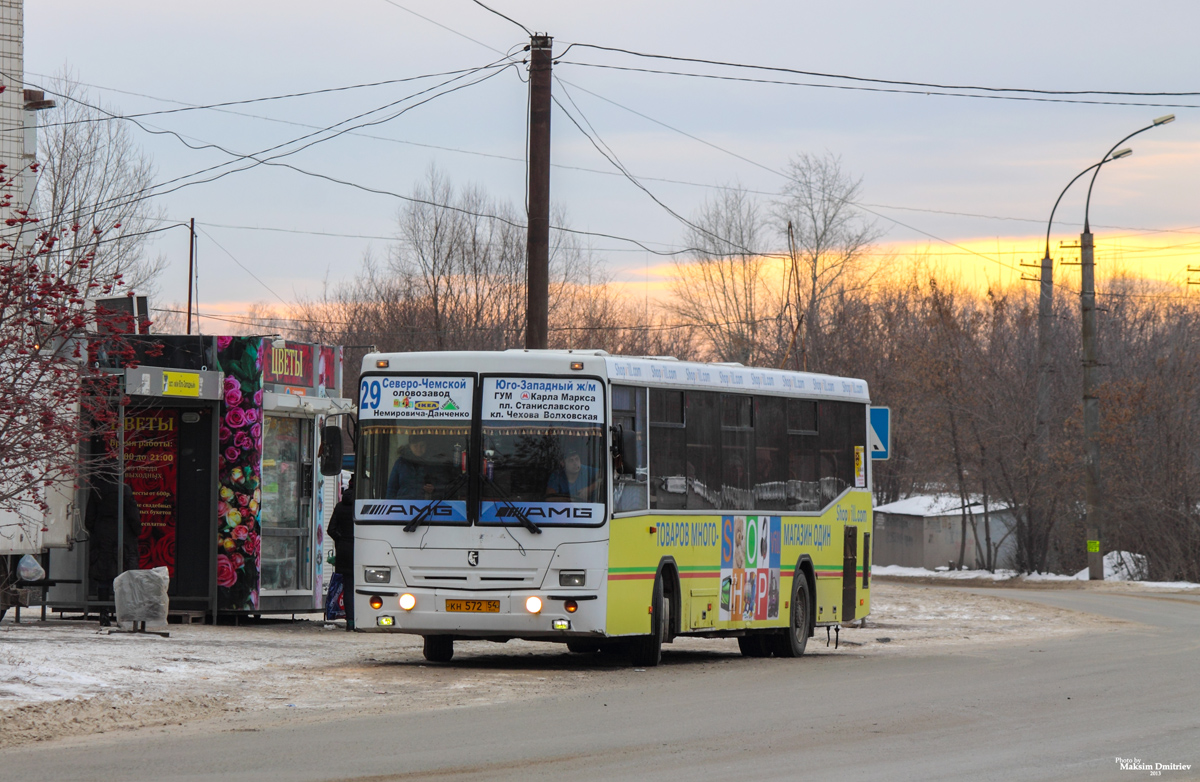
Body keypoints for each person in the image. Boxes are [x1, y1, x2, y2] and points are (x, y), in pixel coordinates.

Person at [85, 475, 141, 607]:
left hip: (102, 537)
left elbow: (89, 519)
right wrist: (136, 531)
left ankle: (103, 612)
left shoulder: (97, 490)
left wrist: (97, 530)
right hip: (123, 538)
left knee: (103, 578)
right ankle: (122, 612)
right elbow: (134, 516)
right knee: (123, 578)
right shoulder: (124, 490)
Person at [326, 475, 355, 630]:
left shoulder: (340, 506)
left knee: (349, 586)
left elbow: (331, 529)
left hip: (344, 551)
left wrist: (341, 541)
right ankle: (362, 619)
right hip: (362, 550)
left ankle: (350, 622)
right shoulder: (363, 506)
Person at [386, 435, 439, 500]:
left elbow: (442, 485)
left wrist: (434, 489)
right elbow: (392, 488)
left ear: (426, 446)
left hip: (426, 506)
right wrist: (390, 505)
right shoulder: (401, 463)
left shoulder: (433, 463)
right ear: (410, 446)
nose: (419, 449)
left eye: (422, 445)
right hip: (403, 505)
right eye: (415, 446)